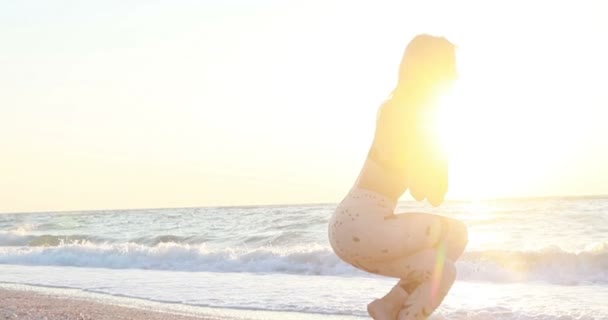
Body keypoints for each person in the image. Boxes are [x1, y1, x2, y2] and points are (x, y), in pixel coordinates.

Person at [328, 34, 469, 320]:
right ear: (432, 69)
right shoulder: (403, 112)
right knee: (456, 234)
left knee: (441, 268)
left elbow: (432, 194)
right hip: (363, 223)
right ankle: (395, 308)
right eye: (449, 67)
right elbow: (424, 188)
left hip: (356, 228)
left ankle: (389, 307)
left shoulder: (408, 112)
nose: (456, 75)